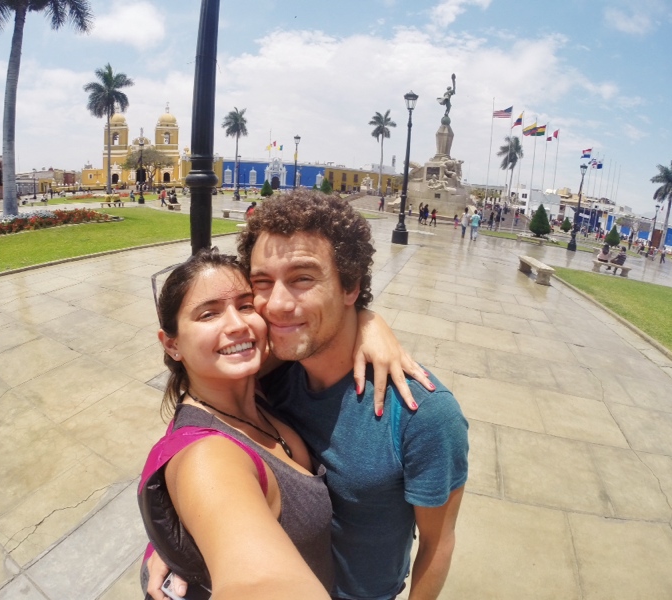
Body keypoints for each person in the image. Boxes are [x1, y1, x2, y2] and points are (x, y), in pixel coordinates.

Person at [147, 191, 468, 600]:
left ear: (350, 286)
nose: (278, 305)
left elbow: (437, 542)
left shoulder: (421, 413)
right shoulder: (272, 373)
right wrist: (177, 534)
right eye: (262, 283)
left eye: (303, 279)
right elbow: (201, 422)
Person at [140, 250, 333, 599]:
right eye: (208, 313)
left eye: (245, 306)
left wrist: (370, 327)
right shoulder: (208, 459)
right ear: (172, 344)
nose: (237, 325)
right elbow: (256, 583)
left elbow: (328, 327)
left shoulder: (257, 386)